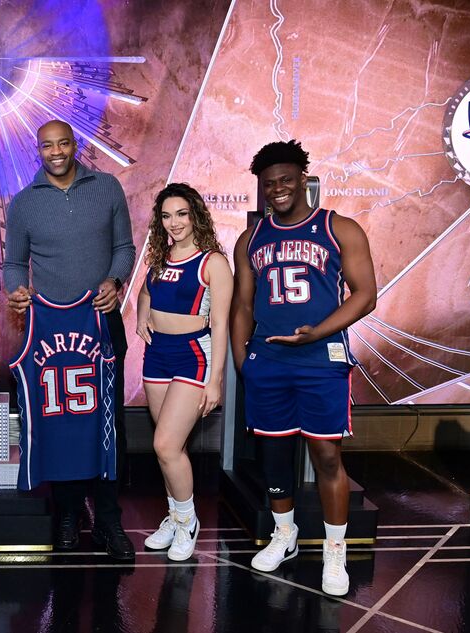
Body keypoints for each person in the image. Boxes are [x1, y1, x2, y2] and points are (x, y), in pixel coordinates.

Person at [230, 140, 376, 596]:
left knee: (327, 456)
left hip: (320, 358)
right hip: (267, 362)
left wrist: (317, 333)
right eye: (269, 183)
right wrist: (242, 363)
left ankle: (336, 551)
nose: (277, 189)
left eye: (286, 180)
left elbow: (365, 294)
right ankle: (285, 534)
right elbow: (242, 305)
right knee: (274, 456)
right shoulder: (251, 237)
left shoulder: (339, 228)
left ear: (304, 180)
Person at [2, 119, 136, 560]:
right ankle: (66, 513)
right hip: (50, 329)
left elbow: (125, 248)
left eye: (63, 143)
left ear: (75, 145)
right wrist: (18, 291)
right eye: (47, 146)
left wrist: (115, 281)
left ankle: (109, 519)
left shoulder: (108, 187)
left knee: (106, 420)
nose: (56, 152)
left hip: (100, 322)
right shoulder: (24, 203)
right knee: (58, 420)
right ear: (37, 150)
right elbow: (14, 264)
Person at [136, 183, 232, 561]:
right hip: (157, 355)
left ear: (195, 216)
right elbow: (147, 292)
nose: (173, 223)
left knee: (166, 445)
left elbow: (221, 325)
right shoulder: (160, 258)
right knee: (169, 447)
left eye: (181, 214)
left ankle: (189, 521)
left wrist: (216, 382)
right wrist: (143, 312)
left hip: (194, 355)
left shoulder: (213, 262)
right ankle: (174, 517)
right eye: (165, 215)